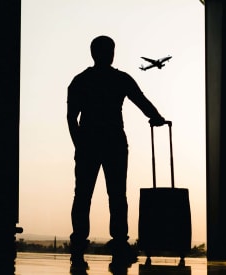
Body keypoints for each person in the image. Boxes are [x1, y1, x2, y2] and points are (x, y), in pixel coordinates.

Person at [67, 35, 166, 272]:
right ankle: (120, 243)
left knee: (82, 195)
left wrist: (79, 144)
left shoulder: (81, 81)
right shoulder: (119, 79)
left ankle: (79, 243)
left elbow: (72, 117)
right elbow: (141, 100)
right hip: (114, 142)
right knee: (117, 195)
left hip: (88, 142)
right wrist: (156, 117)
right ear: (111, 53)